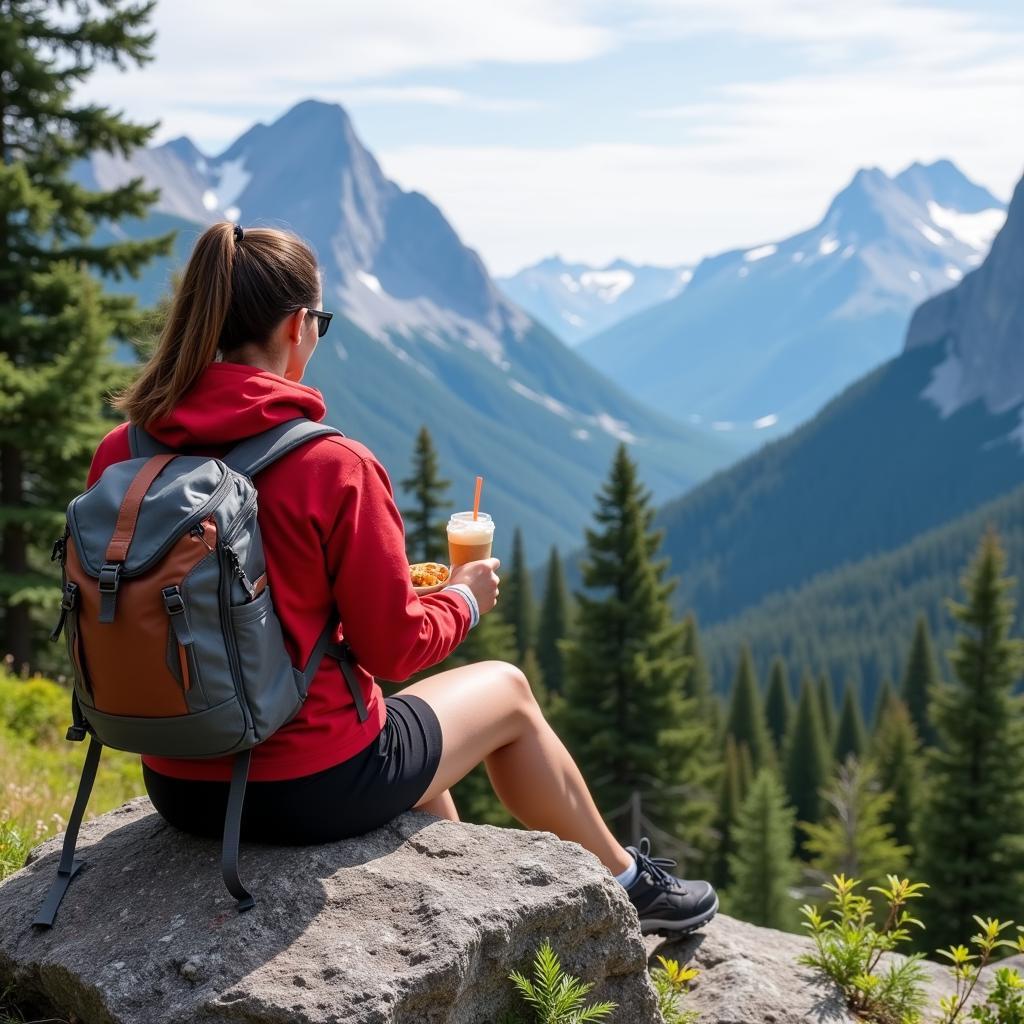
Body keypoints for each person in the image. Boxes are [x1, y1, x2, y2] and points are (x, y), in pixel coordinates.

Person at [86, 221, 718, 936]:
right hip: (309, 787)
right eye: (319, 321)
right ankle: (629, 884)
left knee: (418, 753)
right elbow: (393, 651)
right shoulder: (333, 464)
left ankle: (457, 909)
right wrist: (464, 600)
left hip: (177, 780)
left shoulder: (123, 450)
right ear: (299, 326)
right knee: (506, 691)